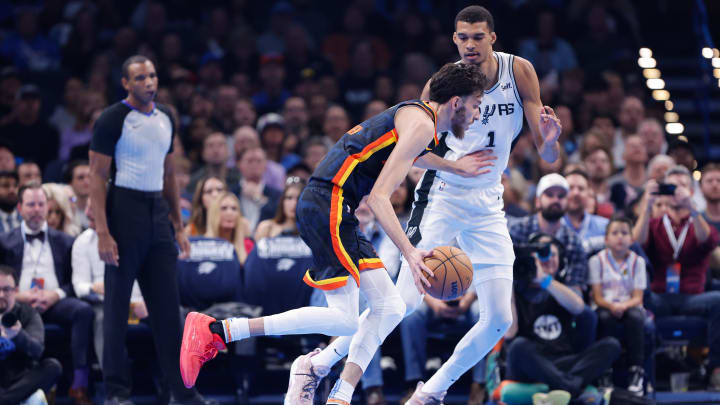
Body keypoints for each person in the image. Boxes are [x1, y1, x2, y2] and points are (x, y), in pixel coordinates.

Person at [180, 62, 489, 405]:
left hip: (334, 206)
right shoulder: (420, 123)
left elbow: (412, 157)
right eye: (476, 104)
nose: (477, 115)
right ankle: (219, 330)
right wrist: (410, 253)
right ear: (457, 102)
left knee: (389, 307)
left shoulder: (417, 119)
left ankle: (338, 394)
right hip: (330, 201)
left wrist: (453, 166)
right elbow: (380, 198)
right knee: (345, 319)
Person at [308, 6, 564, 403]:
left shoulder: (520, 72)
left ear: (493, 38)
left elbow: (549, 157)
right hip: (442, 196)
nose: (469, 45)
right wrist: (454, 166)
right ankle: (324, 362)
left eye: (477, 37)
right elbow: (411, 150)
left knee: (499, 320)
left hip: (489, 205)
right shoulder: (441, 85)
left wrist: (548, 141)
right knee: (402, 305)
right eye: (462, 38)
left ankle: (429, 393)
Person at [88, 55, 214, 405]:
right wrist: (102, 230)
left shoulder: (166, 118)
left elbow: (169, 173)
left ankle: (183, 393)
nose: (149, 82)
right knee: (115, 309)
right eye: (140, 77)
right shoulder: (113, 118)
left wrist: (178, 225)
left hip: (157, 213)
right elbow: (97, 176)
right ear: (126, 84)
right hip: (122, 211)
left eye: (153, 76)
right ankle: (116, 392)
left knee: (167, 311)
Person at [0, 183, 94, 405]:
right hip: (17, 305)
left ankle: (80, 385)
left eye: (41, 204)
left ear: (47, 206)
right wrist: (17, 295)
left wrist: (56, 294)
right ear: (20, 208)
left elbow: (75, 281)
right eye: (31, 204)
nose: (36, 209)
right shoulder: (4, 241)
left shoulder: (66, 241)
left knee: (83, 311)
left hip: (54, 303)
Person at [632, 165, 720, 390]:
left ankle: (715, 370)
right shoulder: (654, 224)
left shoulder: (700, 222)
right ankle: (638, 371)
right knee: (636, 301)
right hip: (660, 297)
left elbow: (708, 241)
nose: (677, 192)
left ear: (691, 191)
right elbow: (635, 244)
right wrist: (647, 205)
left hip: (693, 298)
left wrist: (691, 207)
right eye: (673, 186)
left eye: (683, 186)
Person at [505, 237, 620, 400]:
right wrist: (508, 282)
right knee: (518, 346)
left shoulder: (563, 289)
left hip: (564, 362)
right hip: (532, 364)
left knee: (611, 345)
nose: (548, 259)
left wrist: (545, 280)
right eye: (542, 255)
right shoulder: (514, 292)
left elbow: (580, 308)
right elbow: (509, 333)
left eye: (553, 255)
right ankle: (572, 389)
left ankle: (561, 389)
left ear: (560, 261)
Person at [71, 197, 146, 372]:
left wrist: (148, 302)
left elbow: (150, 277)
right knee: (104, 317)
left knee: (171, 314)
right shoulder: (82, 242)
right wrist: (93, 287)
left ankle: (175, 388)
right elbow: (79, 286)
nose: (88, 213)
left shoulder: (136, 237)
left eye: (93, 208)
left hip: (139, 304)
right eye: (88, 208)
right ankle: (114, 389)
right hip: (106, 303)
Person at [589, 217, 647, 395]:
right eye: (615, 233)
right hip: (605, 305)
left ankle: (636, 372)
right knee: (605, 318)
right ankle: (605, 372)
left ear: (632, 239)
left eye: (624, 233)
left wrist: (623, 305)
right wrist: (612, 306)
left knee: (636, 318)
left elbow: (638, 297)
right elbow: (597, 297)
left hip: (629, 305)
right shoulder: (596, 261)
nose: (620, 237)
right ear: (606, 239)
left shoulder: (638, 262)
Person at [0, 265, 62, 405]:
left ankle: (5, 401)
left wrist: (18, 334)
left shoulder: (28, 313)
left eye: (6, 290)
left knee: (52, 366)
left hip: (21, 377)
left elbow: (37, 350)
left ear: (16, 291)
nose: (1, 295)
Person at [563, 170, 609, 254]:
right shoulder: (551, 226)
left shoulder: (605, 226)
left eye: (581, 189)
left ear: (589, 193)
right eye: (570, 188)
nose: (576, 193)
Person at [204, 192, 252, 264]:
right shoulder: (202, 245)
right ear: (214, 213)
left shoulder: (248, 245)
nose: (229, 213)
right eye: (224, 208)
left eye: (234, 209)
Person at [254, 176, 305, 240]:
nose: (294, 203)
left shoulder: (310, 232)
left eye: (299, 198)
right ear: (282, 201)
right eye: (289, 198)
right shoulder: (267, 228)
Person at [65, 161, 91, 231]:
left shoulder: (102, 208)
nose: (86, 181)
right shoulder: (64, 209)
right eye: (80, 177)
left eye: (89, 176)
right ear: (70, 183)